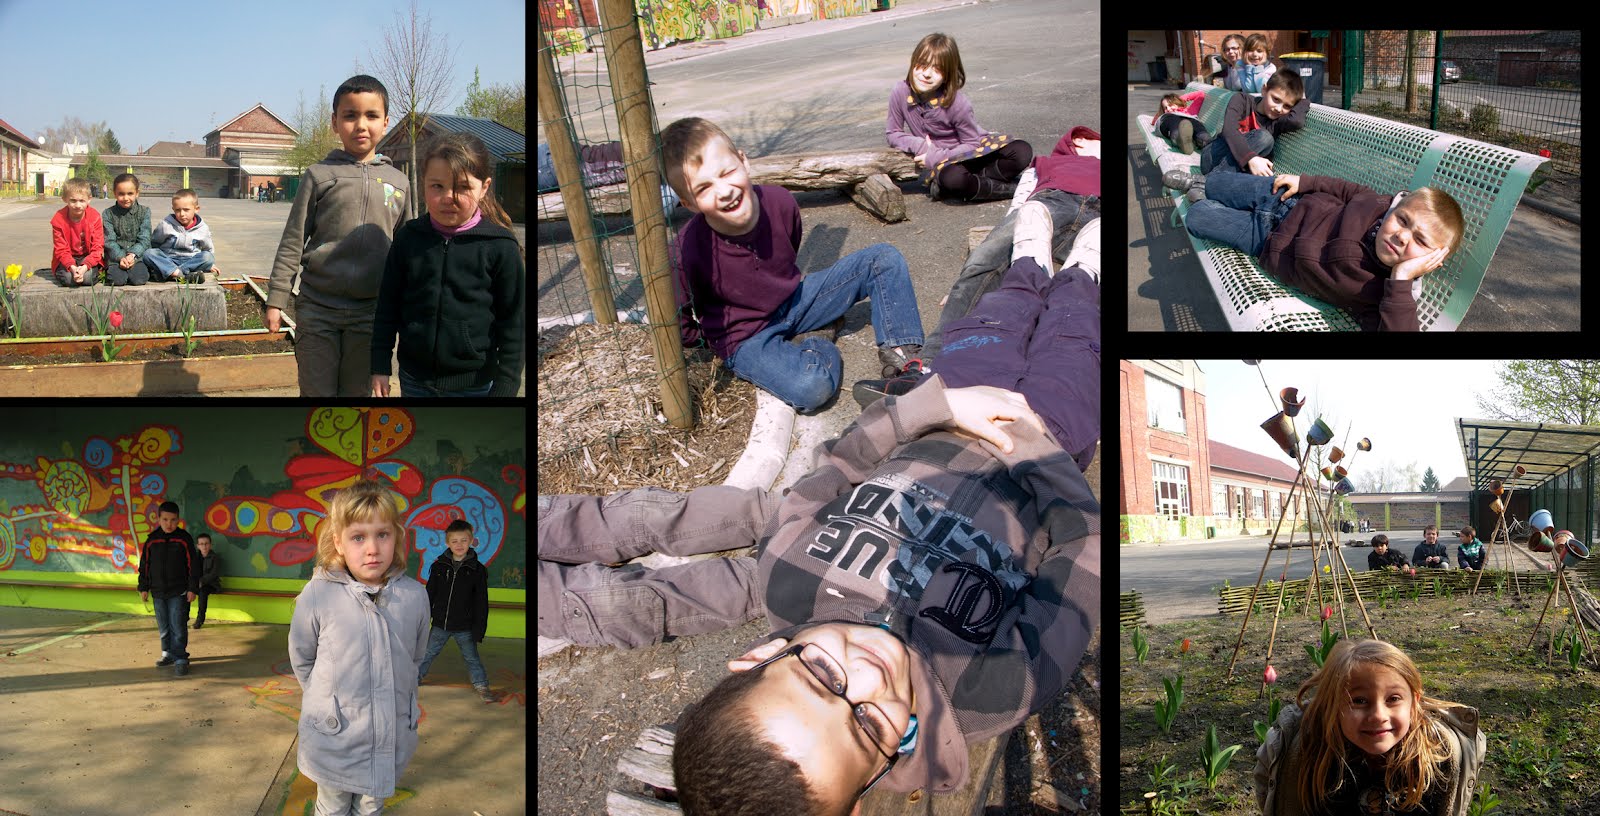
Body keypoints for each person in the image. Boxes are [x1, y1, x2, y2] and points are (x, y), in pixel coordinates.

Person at [539, 229, 1102, 811]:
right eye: (868, 727)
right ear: (861, 795)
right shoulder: (992, 689)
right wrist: (1035, 444)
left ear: (759, 658)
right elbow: (1085, 551)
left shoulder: (787, 578)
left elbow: (838, 464)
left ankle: (1030, 261)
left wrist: (933, 407)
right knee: (1075, 338)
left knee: (1002, 314)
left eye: (824, 678)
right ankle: (1084, 274)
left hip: (952, 402)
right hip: (1051, 437)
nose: (869, 677)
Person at [664, 116, 925, 412]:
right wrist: (709, 341)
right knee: (811, 387)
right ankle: (817, 337)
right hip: (745, 337)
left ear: (743, 161)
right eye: (704, 188)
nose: (724, 191)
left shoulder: (780, 201)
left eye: (727, 172)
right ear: (688, 203)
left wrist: (797, 300)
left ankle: (904, 362)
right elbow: (677, 319)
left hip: (794, 302)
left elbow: (787, 251)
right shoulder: (685, 251)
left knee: (883, 259)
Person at [851, 124, 1101, 406]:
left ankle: (1051, 388)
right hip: (1052, 201)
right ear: (1077, 141)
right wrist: (967, 282)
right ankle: (926, 369)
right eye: (1094, 139)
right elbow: (1017, 210)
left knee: (1084, 295)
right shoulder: (1044, 163)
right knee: (986, 263)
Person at [1174, 167, 1463, 332]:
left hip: (1264, 242)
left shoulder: (1388, 295)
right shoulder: (1378, 207)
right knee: (1221, 183)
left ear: (1433, 259)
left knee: (1198, 219)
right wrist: (1305, 182)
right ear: (1394, 210)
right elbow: (1349, 190)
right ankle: (1202, 185)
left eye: (1420, 241)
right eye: (1402, 220)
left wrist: (1400, 279)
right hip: (1287, 201)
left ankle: (1206, 203)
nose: (1401, 236)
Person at [288, 479, 429, 816]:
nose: (372, 548)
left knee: (370, 806)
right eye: (358, 537)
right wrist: (326, 702)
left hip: (389, 737)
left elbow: (416, 657)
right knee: (333, 806)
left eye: (382, 534)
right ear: (338, 542)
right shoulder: (318, 595)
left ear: (396, 537)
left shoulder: (414, 596)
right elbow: (303, 659)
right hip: (335, 739)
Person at [267, 74, 410, 398]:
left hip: (371, 314)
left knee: (356, 397)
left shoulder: (399, 183)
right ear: (334, 122)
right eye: (350, 115)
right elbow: (293, 240)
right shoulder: (318, 176)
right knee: (317, 393)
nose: (361, 125)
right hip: (318, 309)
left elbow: (407, 252)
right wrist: (276, 299)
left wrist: (409, 306)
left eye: (371, 115)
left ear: (386, 122)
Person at [370, 132, 525, 398]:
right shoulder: (408, 239)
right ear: (423, 184)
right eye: (437, 186)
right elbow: (387, 308)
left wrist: (506, 385)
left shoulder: (500, 247)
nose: (448, 197)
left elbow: (515, 324)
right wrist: (380, 365)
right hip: (414, 380)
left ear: (484, 187)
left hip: (474, 386)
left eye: (463, 187)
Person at [1254, 639, 1486, 816]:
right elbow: (1271, 792)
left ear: (1414, 703)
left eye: (1393, 699)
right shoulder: (1305, 753)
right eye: (1359, 701)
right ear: (1332, 706)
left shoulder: (1440, 756)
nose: (1378, 716)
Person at [885, 32, 1033, 203]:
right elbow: (893, 133)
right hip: (949, 167)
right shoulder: (900, 91)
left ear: (947, 75)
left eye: (937, 69)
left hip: (971, 153)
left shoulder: (957, 102)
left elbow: (972, 144)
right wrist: (919, 145)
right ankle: (1009, 189)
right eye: (922, 64)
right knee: (953, 178)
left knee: (1021, 151)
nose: (927, 74)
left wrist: (935, 157)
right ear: (913, 63)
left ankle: (971, 183)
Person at [417, 519, 494, 702]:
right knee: (427, 654)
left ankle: (482, 685)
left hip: (465, 627)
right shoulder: (439, 566)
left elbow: (481, 602)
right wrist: (423, 618)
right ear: (447, 543)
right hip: (440, 624)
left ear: (471, 541)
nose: (459, 545)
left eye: (464, 540)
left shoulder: (478, 570)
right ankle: (413, 679)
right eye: (454, 541)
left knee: (471, 658)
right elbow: (429, 595)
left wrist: (479, 629)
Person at [136, 501, 200, 677]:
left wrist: (192, 588)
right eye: (165, 519)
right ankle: (168, 653)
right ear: (158, 519)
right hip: (158, 592)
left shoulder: (184, 539)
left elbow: (193, 566)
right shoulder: (152, 540)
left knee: (177, 624)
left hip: (179, 591)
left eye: (173, 520)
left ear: (178, 520)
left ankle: (180, 658)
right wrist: (143, 587)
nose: (169, 524)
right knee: (163, 625)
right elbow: (145, 565)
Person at [535, 140, 681, 215]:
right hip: (553, 164)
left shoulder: (654, 148)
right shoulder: (659, 163)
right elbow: (661, 209)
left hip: (552, 156)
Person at [145, 189, 219, 283]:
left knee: (208, 257)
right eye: (178, 210)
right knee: (148, 253)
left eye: (186, 210)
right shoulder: (165, 225)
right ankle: (184, 275)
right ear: (173, 209)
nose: (182, 214)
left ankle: (174, 273)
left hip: (191, 261)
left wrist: (210, 264)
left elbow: (208, 249)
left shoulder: (203, 229)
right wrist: (160, 259)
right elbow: (155, 243)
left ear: (196, 209)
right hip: (169, 259)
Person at [50, 178, 105, 287]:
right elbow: (61, 249)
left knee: (87, 278)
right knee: (68, 278)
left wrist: (85, 267)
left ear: (89, 199)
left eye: (82, 201)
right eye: (73, 201)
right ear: (65, 199)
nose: (78, 205)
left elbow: (98, 247)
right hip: (67, 258)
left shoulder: (94, 217)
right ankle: (73, 273)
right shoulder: (58, 219)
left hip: (88, 256)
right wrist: (73, 267)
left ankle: (84, 273)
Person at [102, 173, 153, 286]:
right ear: (115, 193)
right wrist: (121, 257)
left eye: (130, 193)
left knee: (139, 279)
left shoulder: (144, 212)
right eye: (121, 194)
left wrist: (132, 255)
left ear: (137, 193)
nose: (126, 198)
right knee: (117, 280)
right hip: (115, 257)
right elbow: (109, 241)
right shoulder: (108, 213)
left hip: (137, 257)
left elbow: (145, 238)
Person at [194, 533, 222, 629]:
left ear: (210, 545)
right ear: (198, 546)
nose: (204, 546)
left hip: (211, 585)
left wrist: (201, 582)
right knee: (186, 591)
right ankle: (183, 617)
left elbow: (213, 574)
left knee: (202, 592)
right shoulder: (195, 557)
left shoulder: (214, 557)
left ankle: (200, 620)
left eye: (206, 543)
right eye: (201, 544)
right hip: (197, 584)